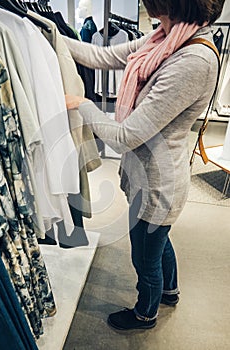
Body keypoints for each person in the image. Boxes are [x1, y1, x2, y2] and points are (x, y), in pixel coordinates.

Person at [64, 0, 225, 331]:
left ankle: (145, 313)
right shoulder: (168, 38)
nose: (152, 15)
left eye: (157, 7)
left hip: (158, 185)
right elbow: (104, 56)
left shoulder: (192, 60)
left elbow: (126, 137)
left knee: (145, 256)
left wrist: (84, 105)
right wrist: (51, 35)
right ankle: (170, 291)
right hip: (150, 176)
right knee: (159, 241)